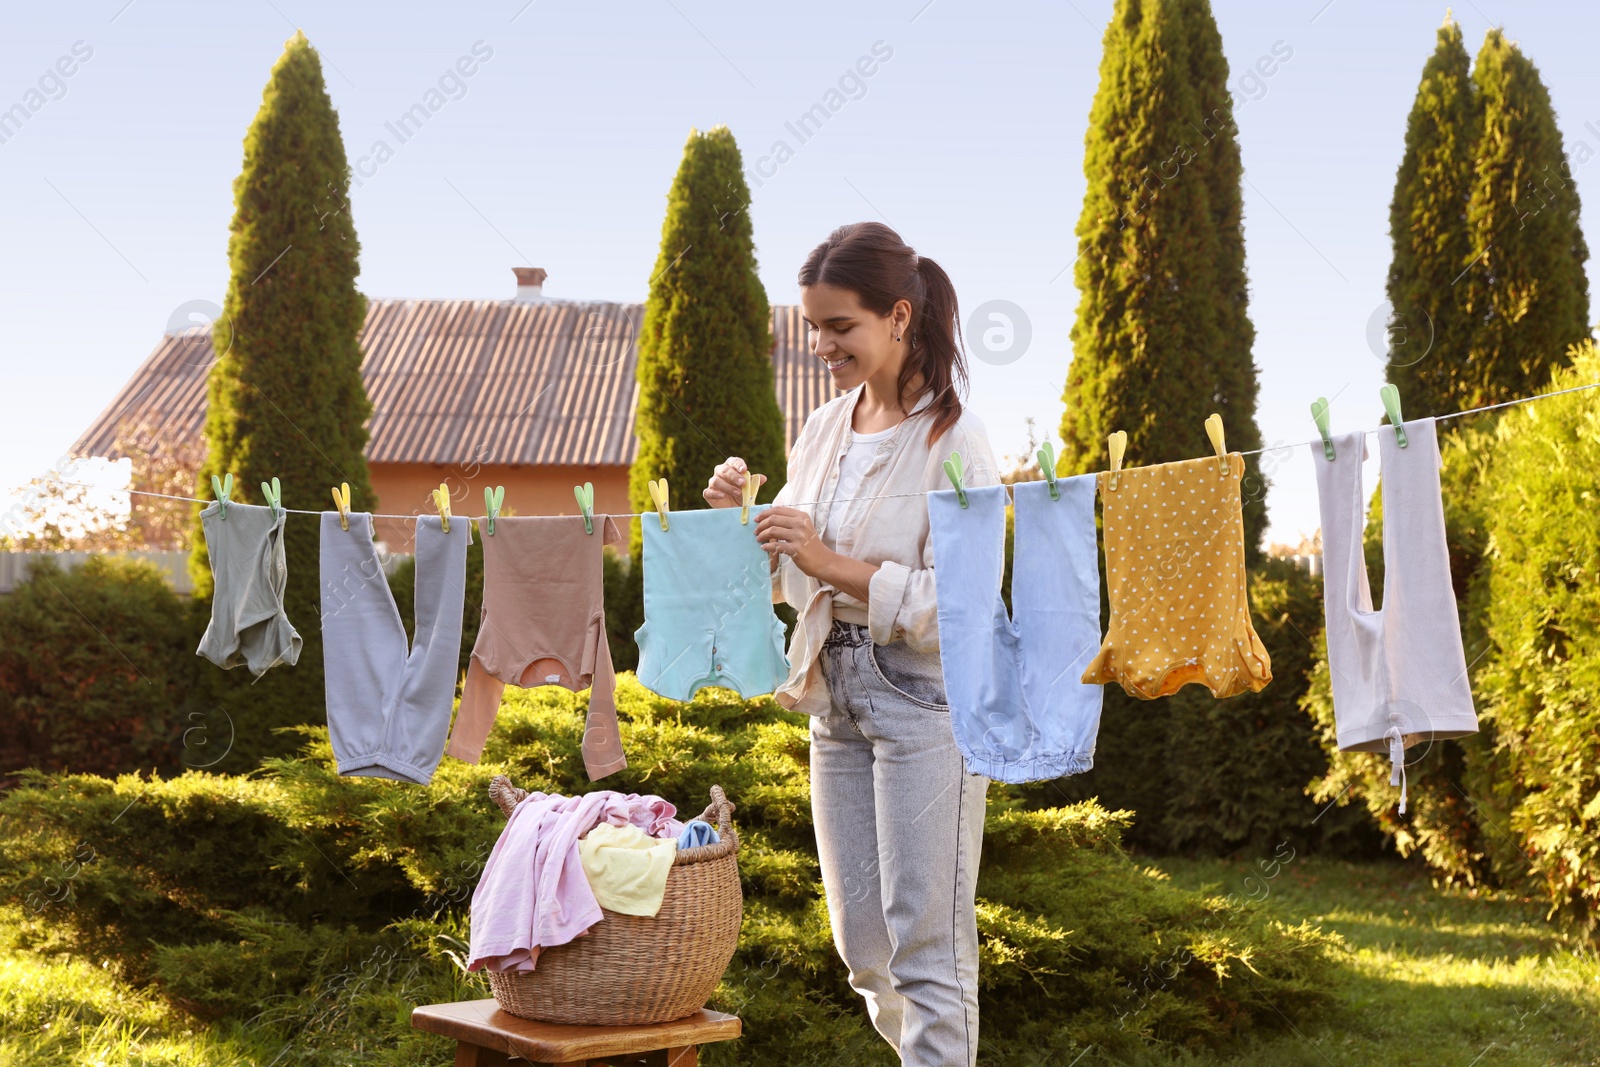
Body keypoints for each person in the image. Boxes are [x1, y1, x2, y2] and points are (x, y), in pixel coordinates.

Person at [704, 221, 998, 1066]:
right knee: (864, 948)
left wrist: (830, 559)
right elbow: (790, 576)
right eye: (813, 328)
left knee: (926, 945)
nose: (822, 345)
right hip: (834, 693)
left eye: (840, 327)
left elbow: (966, 609)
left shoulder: (955, 440)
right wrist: (745, 521)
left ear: (899, 316)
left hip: (924, 699)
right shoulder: (824, 431)